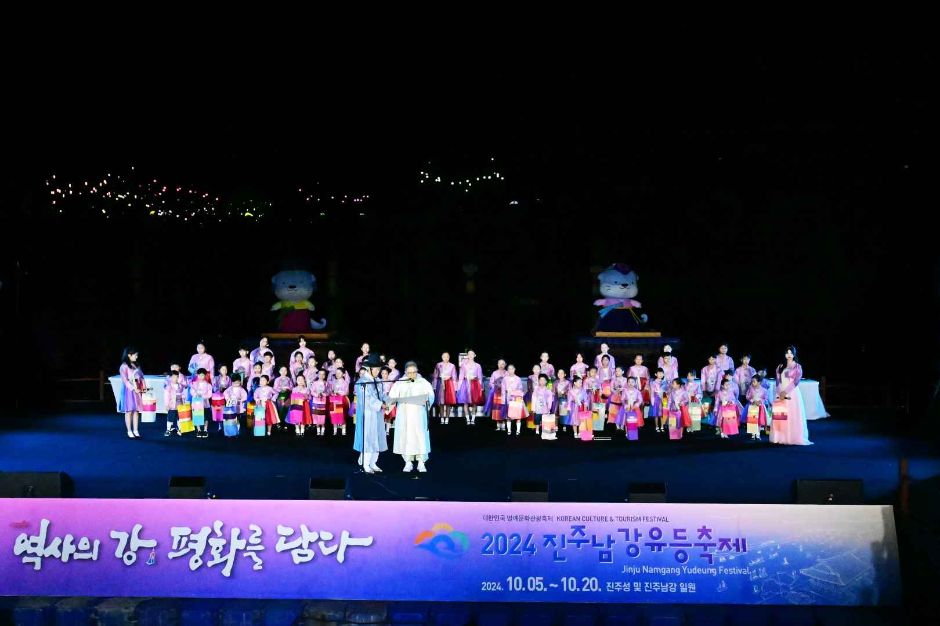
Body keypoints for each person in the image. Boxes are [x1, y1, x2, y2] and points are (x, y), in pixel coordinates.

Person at [388, 361, 434, 472]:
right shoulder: (400, 383)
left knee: (420, 436)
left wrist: (426, 400)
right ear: (405, 372)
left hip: (419, 415)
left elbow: (431, 395)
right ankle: (408, 462)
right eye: (409, 373)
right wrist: (389, 405)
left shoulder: (423, 382)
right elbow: (392, 396)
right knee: (406, 436)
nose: (412, 374)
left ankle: (421, 462)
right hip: (405, 415)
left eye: (414, 372)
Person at [770, 346, 812, 446]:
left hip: (792, 393)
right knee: (780, 415)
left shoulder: (797, 366)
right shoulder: (780, 366)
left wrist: (786, 392)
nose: (789, 355)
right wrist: (780, 392)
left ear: (794, 354)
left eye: (791, 353)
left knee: (791, 415)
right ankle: (780, 437)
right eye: (787, 353)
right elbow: (777, 381)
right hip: (780, 393)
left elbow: (796, 381)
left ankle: (792, 437)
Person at [353, 354, 388, 473]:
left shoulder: (378, 381)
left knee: (377, 436)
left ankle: (373, 462)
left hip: (377, 414)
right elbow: (367, 399)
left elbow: (382, 395)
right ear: (369, 369)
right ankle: (366, 463)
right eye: (376, 369)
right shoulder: (362, 382)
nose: (378, 371)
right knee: (368, 437)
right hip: (367, 415)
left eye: (379, 369)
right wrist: (380, 404)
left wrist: (387, 401)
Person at [118, 346, 144, 439]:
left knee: (136, 410)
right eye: (135, 355)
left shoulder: (137, 365)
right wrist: (133, 388)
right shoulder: (124, 366)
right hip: (129, 391)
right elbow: (125, 380)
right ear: (129, 355)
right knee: (129, 411)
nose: (137, 357)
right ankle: (129, 431)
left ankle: (136, 430)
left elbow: (141, 376)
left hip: (137, 389)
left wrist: (142, 386)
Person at [456, 350, 484, 425]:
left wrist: (481, 387)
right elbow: (461, 376)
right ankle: (468, 419)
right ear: (467, 355)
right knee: (465, 402)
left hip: (475, 383)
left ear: (475, 355)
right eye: (469, 354)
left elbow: (480, 377)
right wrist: (459, 387)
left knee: (474, 402)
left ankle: (473, 419)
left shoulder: (477, 365)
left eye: (472, 354)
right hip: (465, 383)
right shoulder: (464, 365)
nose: (470, 355)